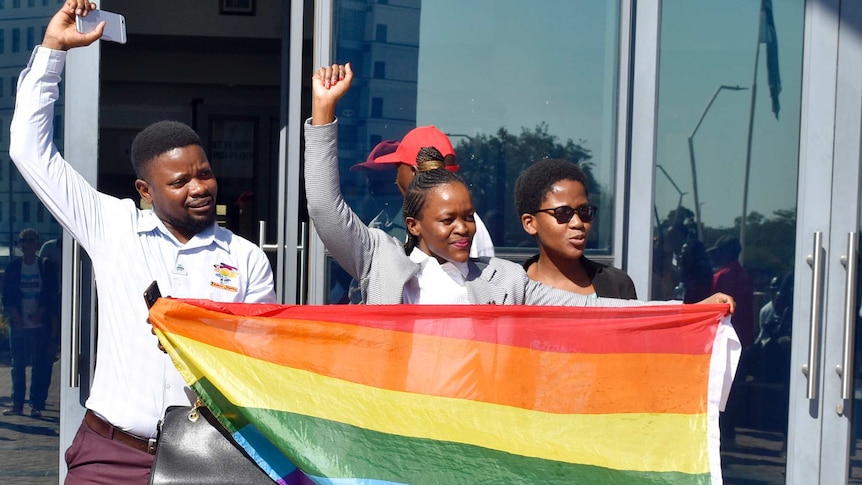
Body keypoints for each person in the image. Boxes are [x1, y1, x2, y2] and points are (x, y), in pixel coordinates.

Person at [9, 3, 276, 483]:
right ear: (146, 192)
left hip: (205, 457)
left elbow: (261, 362)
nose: (199, 188)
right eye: (180, 182)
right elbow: (29, 149)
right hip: (109, 452)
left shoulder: (246, 258)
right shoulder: (111, 225)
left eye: (205, 174)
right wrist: (54, 51)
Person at [305, 62, 735, 310]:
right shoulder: (376, 257)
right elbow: (325, 207)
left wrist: (686, 312)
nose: (463, 228)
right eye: (448, 219)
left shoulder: (503, 278)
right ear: (414, 224)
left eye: (469, 217)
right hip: (394, 429)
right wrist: (323, 109)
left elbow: (592, 309)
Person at [352, 129, 495, 258]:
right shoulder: (390, 221)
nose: (396, 179)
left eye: (398, 167)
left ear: (415, 172)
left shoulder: (465, 228)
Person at [514, 158, 636, 298]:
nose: (578, 223)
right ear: (530, 223)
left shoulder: (617, 286)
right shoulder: (509, 291)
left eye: (584, 211)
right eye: (563, 213)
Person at [2, 228, 59, 418]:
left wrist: (41, 312)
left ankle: (36, 404)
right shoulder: (13, 267)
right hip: (18, 323)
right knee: (17, 364)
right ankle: (17, 403)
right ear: (20, 245)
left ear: (36, 244)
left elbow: (51, 292)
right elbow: (7, 293)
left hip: (39, 323)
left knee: (39, 364)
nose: (27, 245)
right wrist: (15, 314)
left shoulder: (45, 265)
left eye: (31, 241)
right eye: (24, 241)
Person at [709, 235, 755, 348]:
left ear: (726, 253)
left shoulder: (720, 276)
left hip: (724, 332)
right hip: (744, 332)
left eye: (719, 252)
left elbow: (712, 307)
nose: (716, 256)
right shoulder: (746, 275)